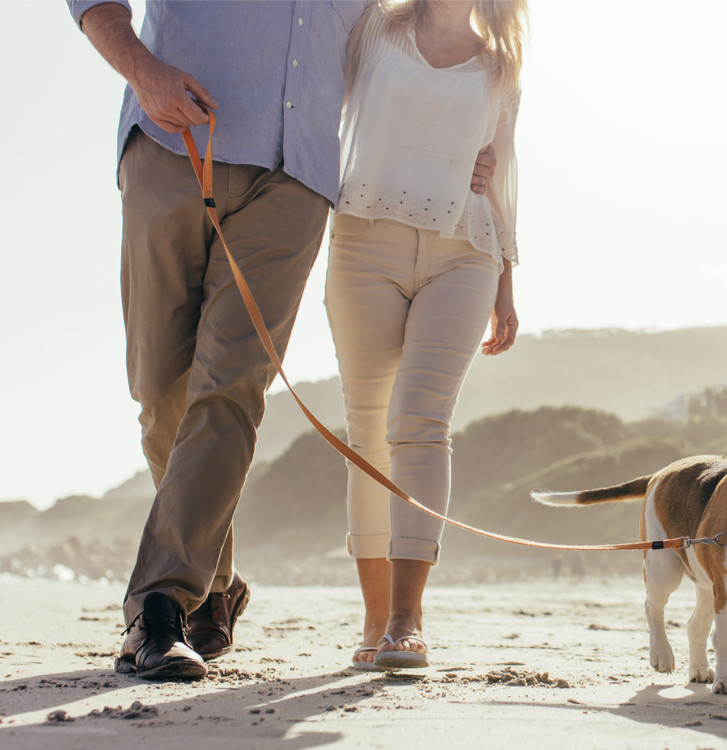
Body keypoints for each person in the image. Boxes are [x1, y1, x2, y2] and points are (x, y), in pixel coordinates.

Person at [67, 0, 495, 682]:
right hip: (173, 147)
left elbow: (402, 67)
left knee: (231, 385)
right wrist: (142, 70)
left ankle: (159, 608)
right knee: (160, 393)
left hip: (296, 180)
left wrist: (461, 151)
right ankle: (215, 582)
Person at [325, 0, 526, 670]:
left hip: (465, 249)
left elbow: (503, 171)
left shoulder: (501, 64)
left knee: (422, 421)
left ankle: (408, 621)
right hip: (364, 240)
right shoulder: (373, 29)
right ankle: (376, 618)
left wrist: (506, 281)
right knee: (370, 431)